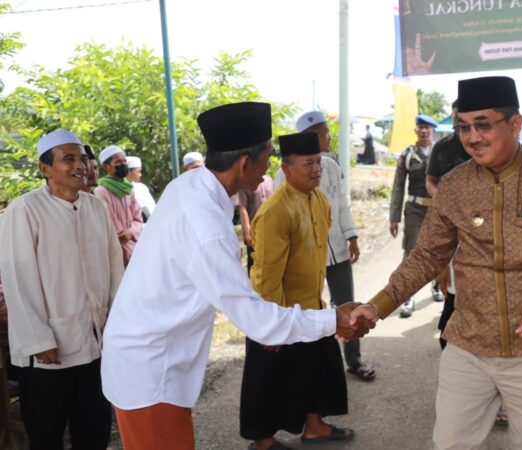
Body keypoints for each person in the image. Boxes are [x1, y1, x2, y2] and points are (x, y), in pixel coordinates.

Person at [350, 76, 522, 449]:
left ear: (515, 124)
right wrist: (376, 307)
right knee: (450, 443)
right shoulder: (455, 185)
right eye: (463, 127)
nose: (472, 136)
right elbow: (428, 255)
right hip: (470, 345)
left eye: (483, 124)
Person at [100, 102, 371, 450]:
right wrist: (335, 319)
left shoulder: (190, 186)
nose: (270, 168)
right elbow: (257, 321)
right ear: (245, 163)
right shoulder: (208, 227)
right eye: (268, 158)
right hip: (151, 370)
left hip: (149, 356)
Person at [0, 129, 123, 449]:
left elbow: (114, 267)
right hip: (49, 352)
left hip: (96, 344)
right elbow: (18, 278)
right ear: (45, 169)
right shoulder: (25, 210)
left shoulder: (96, 207)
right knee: (47, 436)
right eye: (68, 158)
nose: (80, 165)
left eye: (82, 158)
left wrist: (118, 321)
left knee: (94, 430)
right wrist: (38, 338)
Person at [241, 132, 353, 449]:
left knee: (318, 370)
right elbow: (266, 274)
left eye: (318, 162)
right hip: (280, 312)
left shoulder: (318, 199)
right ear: (287, 168)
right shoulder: (276, 209)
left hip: (313, 307)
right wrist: (271, 326)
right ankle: (263, 441)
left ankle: (314, 426)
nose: (317, 169)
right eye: (309, 164)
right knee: (268, 378)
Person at [285, 110, 375, 381]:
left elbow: (343, 204)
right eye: (324, 132)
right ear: (311, 135)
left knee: (348, 304)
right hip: (305, 256)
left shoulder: (332, 166)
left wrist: (352, 235)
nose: (328, 136)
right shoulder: (287, 171)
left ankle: (354, 360)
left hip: (336, 250)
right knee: (309, 309)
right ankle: (312, 365)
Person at [425, 98, 470, 345]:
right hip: (450, 220)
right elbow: (431, 180)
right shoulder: (442, 148)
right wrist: (441, 197)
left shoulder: (483, 146)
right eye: (457, 118)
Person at [389, 114, 442, 318]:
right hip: (414, 210)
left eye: (428, 128)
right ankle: (407, 297)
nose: (424, 131)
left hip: (437, 210)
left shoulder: (440, 153)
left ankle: (437, 286)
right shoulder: (408, 154)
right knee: (411, 252)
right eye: (420, 127)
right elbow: (398, 187)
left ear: (433, 131)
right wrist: (394, 217)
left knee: (439, 250)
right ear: (415, 130)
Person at [95, 145, 144, 267]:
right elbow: (114, 227)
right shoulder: (101, 192)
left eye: (124, 161)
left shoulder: (129, 189)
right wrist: (125, 235)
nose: (123, 165)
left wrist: (131, 231)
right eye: (118, 162)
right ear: (106, 166)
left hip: (134, 248)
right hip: (116, 251)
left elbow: (138, 219)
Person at [236, 173, 274, 271]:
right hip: (255, 233)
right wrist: (248, 232)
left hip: (270, 231)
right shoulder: (245, 183)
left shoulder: (269, 180)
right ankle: (252, 286)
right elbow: (242, 208)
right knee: (254, 264)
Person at [126, 155, 157, 221]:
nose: (140, 174)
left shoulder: (141, 188)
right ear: (128, 172)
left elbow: (151, 210)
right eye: (138, 171)